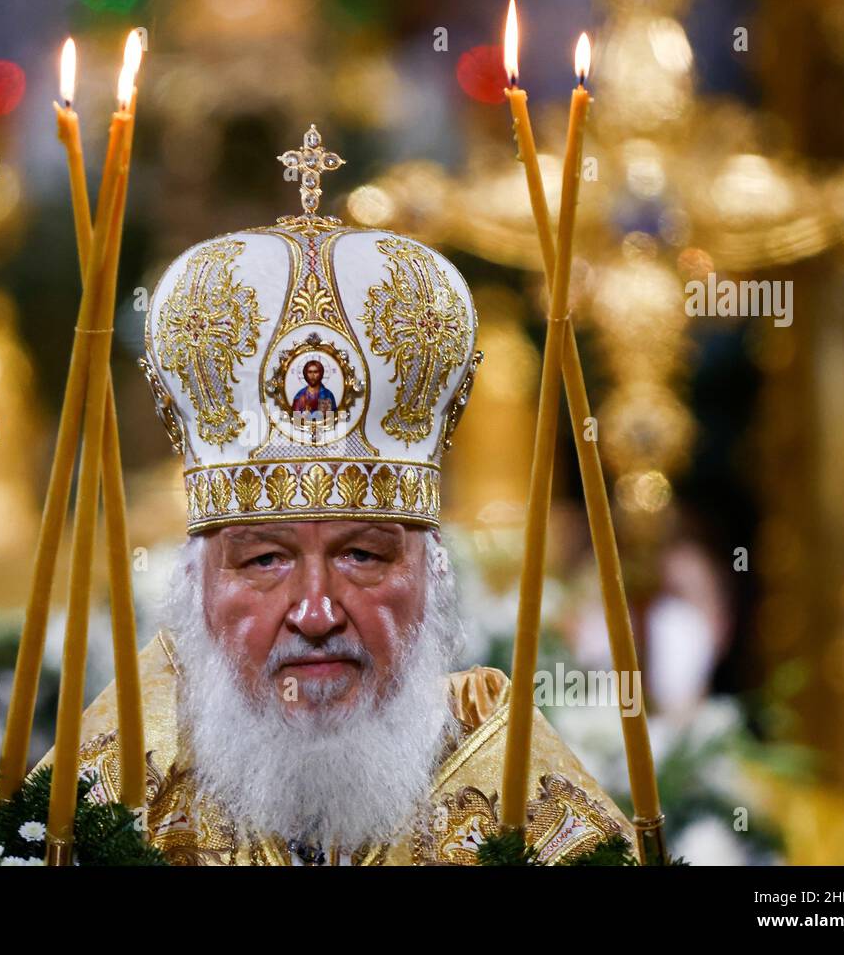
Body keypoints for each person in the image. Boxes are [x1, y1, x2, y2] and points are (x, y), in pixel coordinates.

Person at [37, 128, 633, 865]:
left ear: (432, 573)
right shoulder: (107, 820)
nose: (316, 613)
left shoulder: (530, 821)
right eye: (262, 561)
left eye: (361, 555)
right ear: (195, 587)